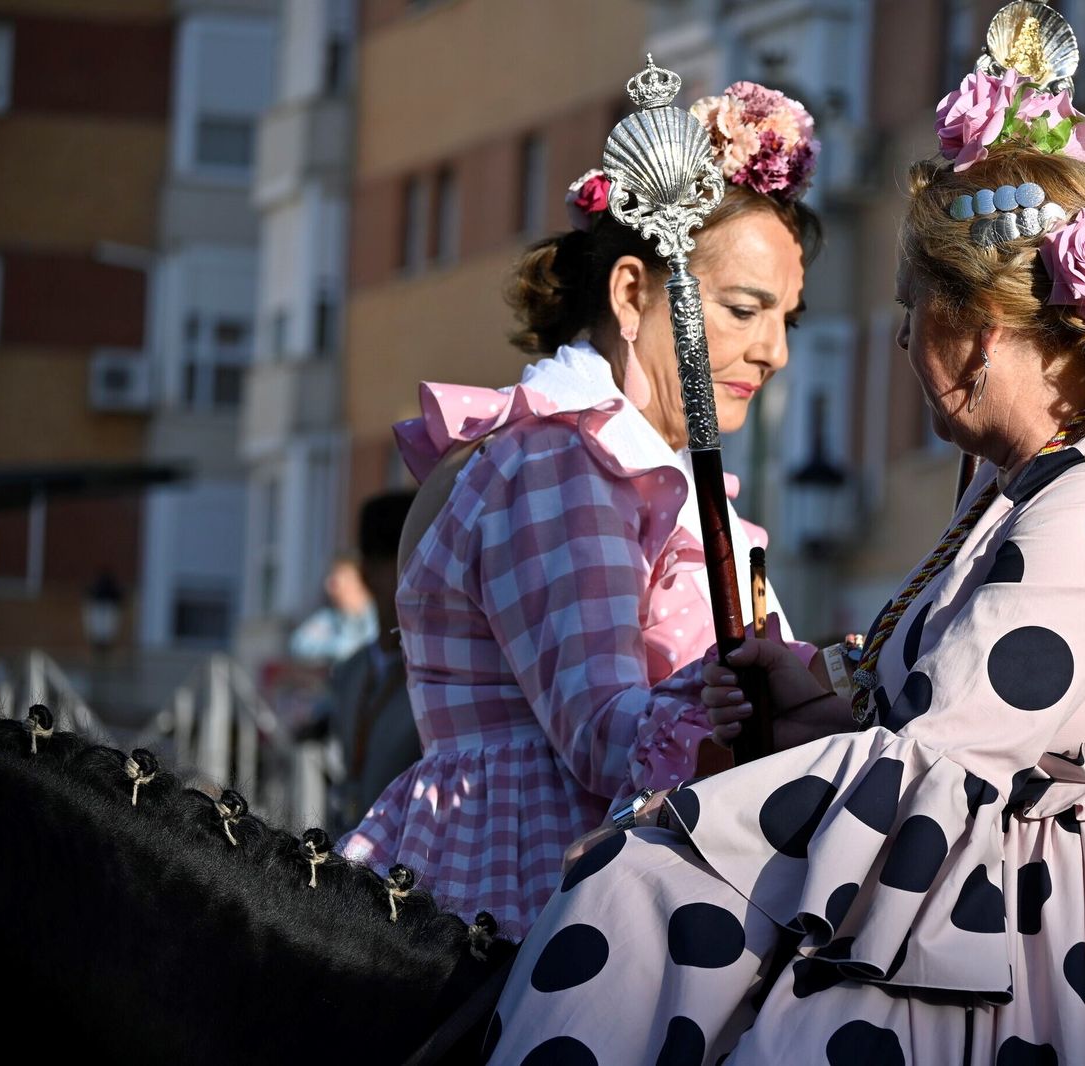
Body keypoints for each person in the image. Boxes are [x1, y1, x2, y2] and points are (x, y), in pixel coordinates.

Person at [485, 40, 1085, 1066]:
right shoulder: (1020, 486)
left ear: (974, 330)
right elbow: (940, 702)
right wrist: (813, 687)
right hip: (1012, 865)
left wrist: (683, 830)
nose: (897, 344)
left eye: (907, 312)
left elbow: (942, 745)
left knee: (664, 902)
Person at [341, 81, 830, 941]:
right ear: (633, 294)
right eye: (746, 309)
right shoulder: (564, 461)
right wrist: (748, 694)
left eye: (788, 318)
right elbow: (605, 735)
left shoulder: (614, 464)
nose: (776, 351)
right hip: (540, 887)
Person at [297, 492, 423, 836]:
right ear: (368, 573)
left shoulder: (438, 677)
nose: (423, 576)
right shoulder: (352, 671)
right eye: (405, 562)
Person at [287, 554, 377, 664]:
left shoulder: (381, 616)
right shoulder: (328, 618)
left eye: (335, 582)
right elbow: (299, 644)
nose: (329, 588)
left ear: (358, 581)